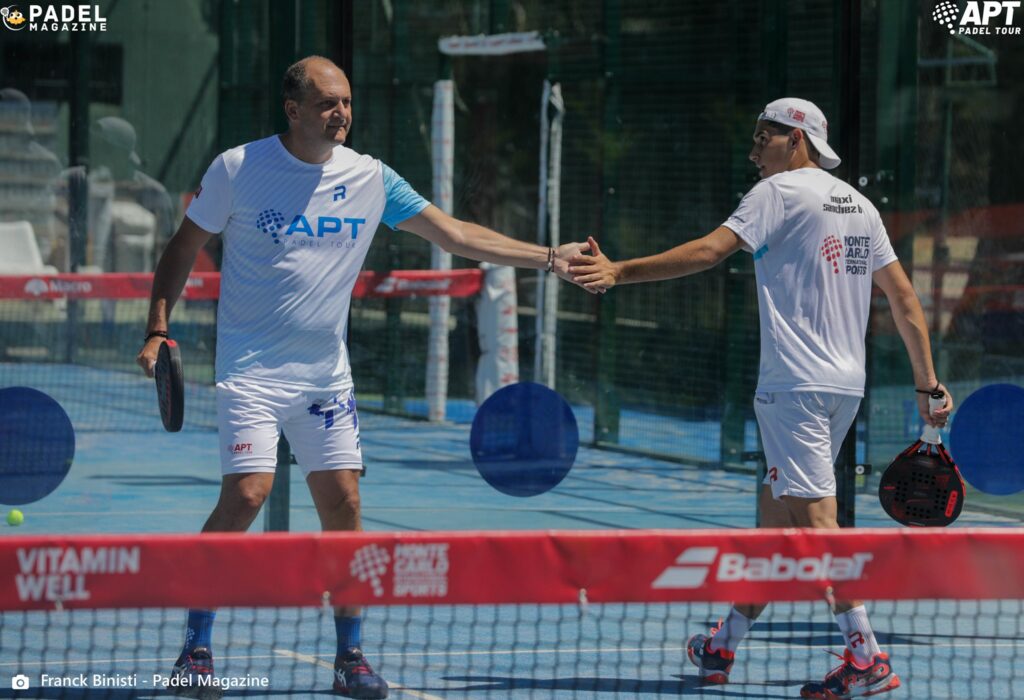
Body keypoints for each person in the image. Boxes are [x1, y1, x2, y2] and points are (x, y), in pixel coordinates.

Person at [136, 55, 590, 700]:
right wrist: (157, 327)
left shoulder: (372, 178)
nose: (341, 113)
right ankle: (196, 648)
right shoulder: (238, 168)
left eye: (346, 102)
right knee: (247, 496)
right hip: (251, 372)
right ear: (293, 110)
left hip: (326, 378)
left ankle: (351, 657)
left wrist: (548, 256)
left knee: (346, 508)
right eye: (326, 103)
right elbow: (182, 248)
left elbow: (455, 233)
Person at [569, 97, 951, 699]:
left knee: (818, 527)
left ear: (796, 139)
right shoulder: (861, 205)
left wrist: (621, 272)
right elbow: (905, 303)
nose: (754, 149)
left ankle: (866, 656)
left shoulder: (777, 194)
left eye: (763, 136)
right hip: (842, 389)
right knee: (776, 528)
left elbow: (708, 251)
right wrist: (928, 385)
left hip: (793, 388)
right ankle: (724, 644)